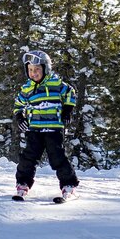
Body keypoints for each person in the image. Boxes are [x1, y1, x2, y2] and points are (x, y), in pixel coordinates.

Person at [13, 49, 79, 200]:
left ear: (46, 68)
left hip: (54, 129)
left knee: (57, 157)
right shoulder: (27, 88)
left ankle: (69, 185)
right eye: (30, 70)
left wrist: (68, 109)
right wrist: (20, 117)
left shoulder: (55, 83)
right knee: (28, 157)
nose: (33, 73)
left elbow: (70, 92)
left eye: (37, 69)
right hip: (34, 129)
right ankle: (23, 183)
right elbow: (18, 104)